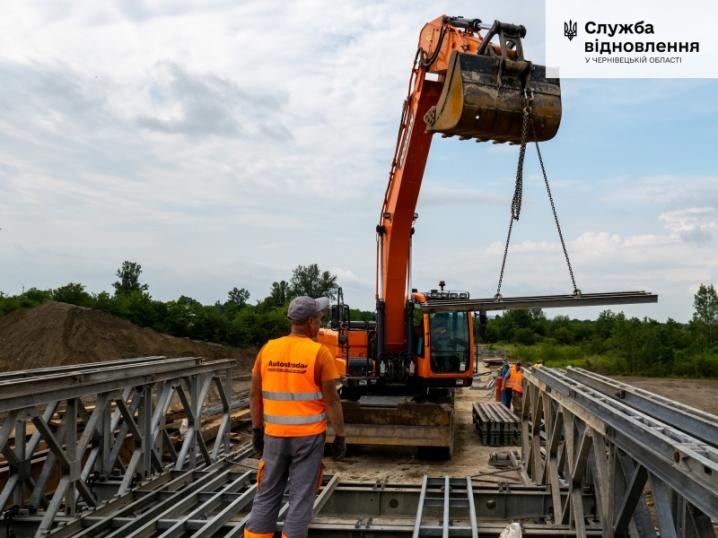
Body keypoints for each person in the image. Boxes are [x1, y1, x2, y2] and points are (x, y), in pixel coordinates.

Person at [244, 296, 346, 538]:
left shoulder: (268, 349)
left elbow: (253, 396)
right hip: (308, 439)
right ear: (310, 322)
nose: (321, 322)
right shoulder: (320, 353)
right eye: (320, 318)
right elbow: (332, 400)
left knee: (267, 493)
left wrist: (257, 431)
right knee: (301, 498)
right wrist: (340, 435)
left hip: (274, 437)